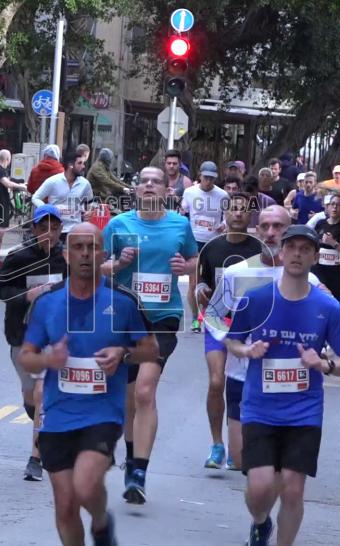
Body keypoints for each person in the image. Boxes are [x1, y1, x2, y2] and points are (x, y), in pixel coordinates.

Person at [20, 222, 159, 546]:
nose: (85, 254)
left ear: (103, 254)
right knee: (66, 506)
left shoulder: (123, 301)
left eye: (92, 247)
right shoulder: (47, 302)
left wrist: (123, 353)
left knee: (84, 486)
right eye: (78, 247)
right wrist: (48, 360)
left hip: (103, 414)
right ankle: (99, 525)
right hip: (57, 415)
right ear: (66, 255)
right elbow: (26, 356)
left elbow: (152, 349)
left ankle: (99, 521)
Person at [225, 225, 340, 546]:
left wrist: (324, 364)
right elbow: (232, 341)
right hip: (260, 408)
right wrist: (247, 350)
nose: (297, 254)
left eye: (305, 249)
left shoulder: (327, 308)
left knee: (292, 488)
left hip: (304, 412)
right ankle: (261, 523)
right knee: (260, 489)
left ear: (315, 257)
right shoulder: (256, 299)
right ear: (282, 253)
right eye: (292, 248)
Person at [204, 206, 326, 475]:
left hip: (290, 380)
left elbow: (323, 322)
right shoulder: (236, 273)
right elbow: (212, 316)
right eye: (265, 226)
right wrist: (235, 344)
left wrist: (320, 350)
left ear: (288, 231)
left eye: (278, 226)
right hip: (243, 375)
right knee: (241, 461)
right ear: (257, 230)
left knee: (277, 468)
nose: (271, 233)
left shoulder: (309, 279)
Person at [101, 166, 198, 505]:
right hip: (125, 317)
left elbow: (194, 259)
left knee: (145, 391)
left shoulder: (179, 225)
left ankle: (139, 471)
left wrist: (185, 268)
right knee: (129, 398)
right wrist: (117, 264)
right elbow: (96, 265)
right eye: (144, 181)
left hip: (162, 317)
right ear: (136, 190)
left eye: (157, 181)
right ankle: (131, 458)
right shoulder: (119, 225)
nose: (150, 185)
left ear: (167, 190)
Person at [0, 204, 67, 481]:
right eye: (43, 228)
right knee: (30, 395)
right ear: (34, 229)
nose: (49, 233)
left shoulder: (66, 258)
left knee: (42, 393)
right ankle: (40, 420)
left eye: (54, 228)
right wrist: (26, 295)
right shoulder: (18, 257)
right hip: (22, 335)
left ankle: (36, 457)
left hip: (55, 336)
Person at [194, 193, 263, 469]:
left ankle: (238, 443)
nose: (238, 213)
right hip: (218, 320)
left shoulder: (259, 250)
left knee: (242, 386)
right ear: (225, 213)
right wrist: (200, 289)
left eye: (243, 210)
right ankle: (217, 445)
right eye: (233, 208)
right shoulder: (212, 247)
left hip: (247, 326)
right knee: (216, 382)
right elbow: (201, 281)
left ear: (249, 216)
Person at [181, 161, 230, 332]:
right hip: (194, 241)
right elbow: (183, 213)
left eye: (212, 178)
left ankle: (207, 316)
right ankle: (195, 320)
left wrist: (224, 224)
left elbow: (227, 216)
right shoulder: (190, 192)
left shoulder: (223, 195)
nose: (208, 181)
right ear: (200, 175)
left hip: (213, 242)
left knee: (210, 284)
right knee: (193, 283)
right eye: (206, 177)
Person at [32, 151, 93, 240]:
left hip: (76, 230)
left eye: (83, 163)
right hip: (56, 230)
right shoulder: (53, 181)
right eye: (80, 163)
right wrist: (47, 209)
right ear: (70, 165)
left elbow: (90, 202)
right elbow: (36, 197)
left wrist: (89, 211)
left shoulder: (85, 184)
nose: (83, 166)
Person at [312, 194, 340, 303]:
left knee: (333, 304)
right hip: (320, 272)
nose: (335, 207)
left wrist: (334, 243)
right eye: (332, 204)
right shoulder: (320, 224)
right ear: (327, 207)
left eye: (338, 205)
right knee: (318, 303)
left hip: (338, 276)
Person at [0, 149, 27, 259]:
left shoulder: (2, 170)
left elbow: (10, 180)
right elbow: (7, 183)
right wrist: (22, 187)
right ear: (8, 159)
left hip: (2, 203)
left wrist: (22, 183)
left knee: (1, 231)